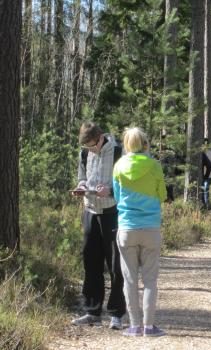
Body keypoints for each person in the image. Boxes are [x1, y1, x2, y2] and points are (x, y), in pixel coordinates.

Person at [71, 122, 126, 329]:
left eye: (93, 145)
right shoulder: (85, 153)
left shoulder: (119, 151)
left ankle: (116, 313)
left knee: (115, 264)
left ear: (101, 137)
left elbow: (127, 183)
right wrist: (81, 186)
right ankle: (92, 311)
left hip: (112, 212)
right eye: (87, 147)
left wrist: (110, 191)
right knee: (90, 261)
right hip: (90, 211)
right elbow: (82, 177)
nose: (91, 150)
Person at [113, 127, 167, 337]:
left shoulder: (119, 166)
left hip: (127, 227)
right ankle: (149, 327)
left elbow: (117, 197)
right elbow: (162, 194)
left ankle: (134, 326)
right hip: (151, 227)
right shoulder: (154, 165)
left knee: (130, 280)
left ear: (126, 144)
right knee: (150, 280)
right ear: (145, 144)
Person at [202, 138, 211, 210]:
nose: (204, 146)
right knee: (202, 189)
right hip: (201, 175)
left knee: (205, 188)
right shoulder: (199, 153)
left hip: (208, 175)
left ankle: (207, 204)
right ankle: (203, 204)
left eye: (205, 144)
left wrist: (209, 171)